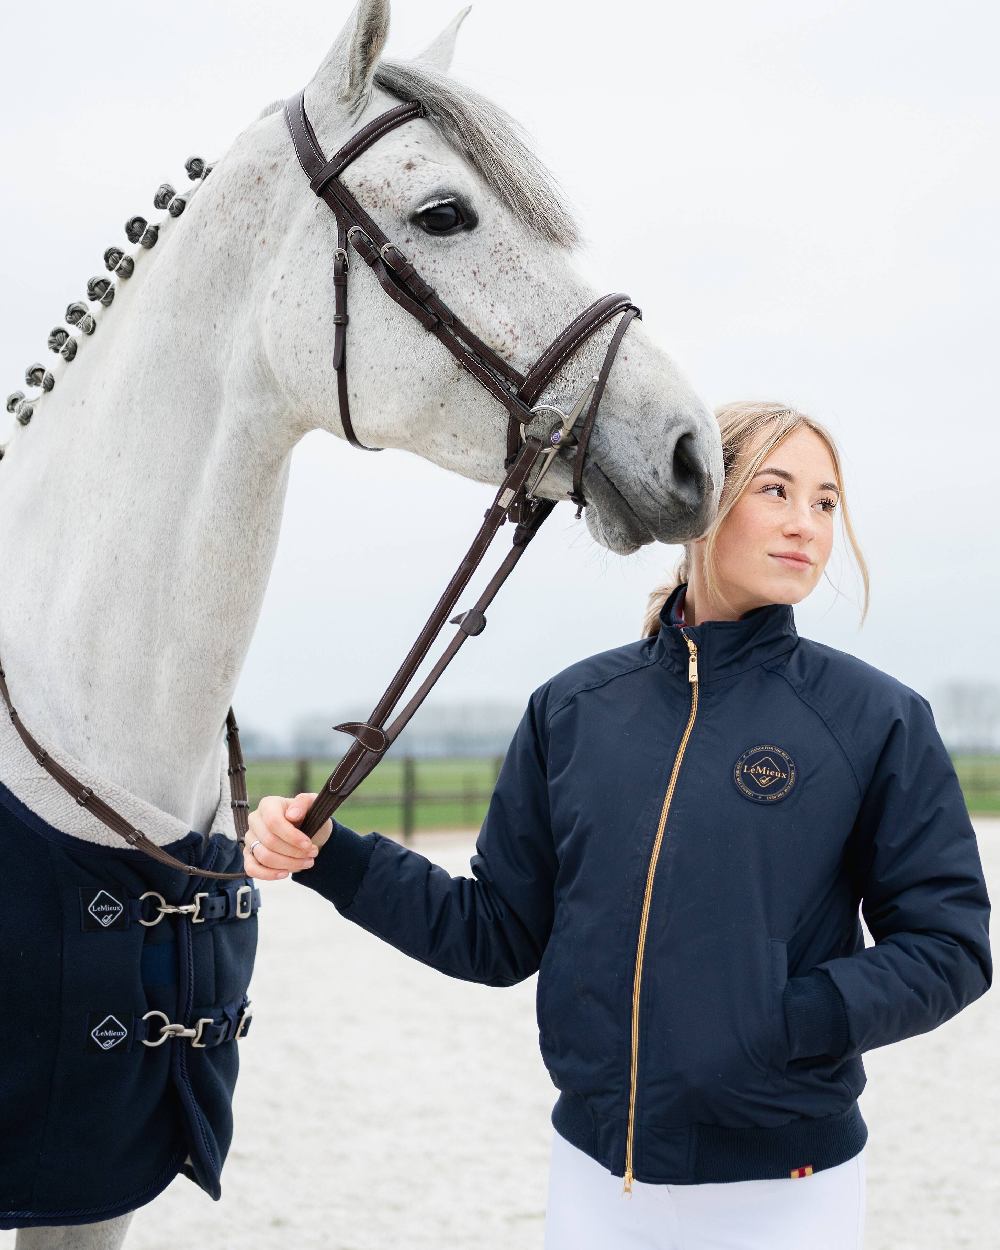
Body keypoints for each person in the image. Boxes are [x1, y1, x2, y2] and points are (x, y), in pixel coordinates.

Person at [243, 400, 992, 1250]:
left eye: (825, 503)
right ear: (703, 500)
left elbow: (949, 945)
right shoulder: (575, 710)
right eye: (775, 490)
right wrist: (334, 859)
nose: (806, 525)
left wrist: (789, 1021)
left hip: (785, 1186)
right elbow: (495, 934)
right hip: (597, 1177)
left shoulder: (874, 719)